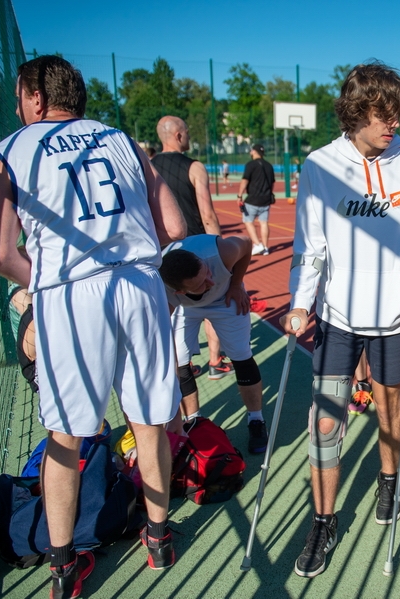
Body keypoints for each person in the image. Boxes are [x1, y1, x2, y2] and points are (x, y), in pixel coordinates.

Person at [0, 56, 186, 598]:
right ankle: (159, 537)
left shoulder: (13, 149)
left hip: (71, 298)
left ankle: (63, 566)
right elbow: (175, 226)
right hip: (139, 286)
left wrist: (45, 278)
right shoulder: (122, 139)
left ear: (35, 97)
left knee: (66, 436)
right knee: (147, 420)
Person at [281, 62, 400, 578]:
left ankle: (389, 478)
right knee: (326, 421)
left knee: (391, 410)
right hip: (337, 318)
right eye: (381, 112)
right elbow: (310, 246)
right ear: (355, 111)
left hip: (397, 319)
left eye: (397, 113)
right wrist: (301, 302)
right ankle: (323, 520)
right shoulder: (319, 165)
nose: (392, 122)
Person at [158, 234, 268, 454]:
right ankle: (193, 422)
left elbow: (246, 244)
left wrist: (236, 284)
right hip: (185, 308)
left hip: (226, 298)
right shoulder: (162, 288)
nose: (211, 281)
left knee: (241, 356)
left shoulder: (222, 252)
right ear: (179, 291)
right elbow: (160, 332)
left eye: (206, 273)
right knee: (178, 361)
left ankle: (256, 420)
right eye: (201, 283)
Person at [152, 116, 233, 380]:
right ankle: (214, 361)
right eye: (186, 131)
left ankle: (179, 368)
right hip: (196, 247)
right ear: (177, 135)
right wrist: (220, 252)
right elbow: (207, 214)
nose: (188, 136)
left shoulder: (147, 168)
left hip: (162, 254)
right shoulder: (194, 167)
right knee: (211, 302)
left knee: (171, 314)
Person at [237, 143, 276, 255]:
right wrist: (269, 194)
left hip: (253, 199)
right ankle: (265, 247)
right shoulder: (269, 165)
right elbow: (272, 183)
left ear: (254, 151)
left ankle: (258, 244)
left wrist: (239, 195)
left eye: (251, 151)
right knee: (264, 222)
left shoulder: (250, 165)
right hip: (266, 199)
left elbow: (245, 180)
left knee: (248, 221)